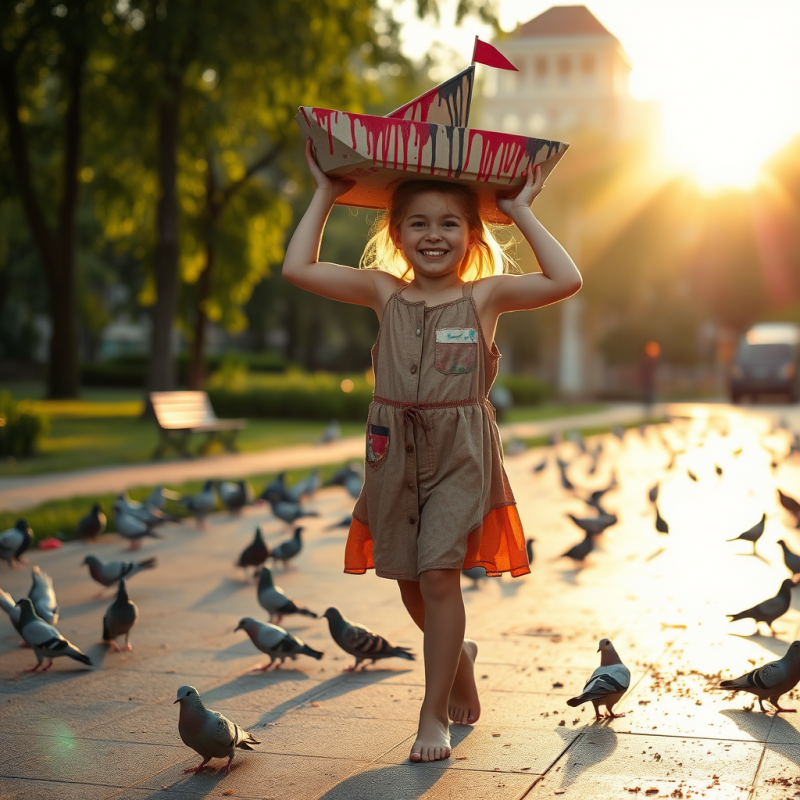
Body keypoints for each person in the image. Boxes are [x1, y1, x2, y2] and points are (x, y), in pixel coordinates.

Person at [283, 138, 582, 763]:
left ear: (471, 236)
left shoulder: (484, 298)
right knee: (410, 581)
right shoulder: (382, 292)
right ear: (397, 234)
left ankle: (432, 711)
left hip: (460, 454)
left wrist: (520, 208)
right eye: (418, 223)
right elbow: (298, 269)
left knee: (441, 573)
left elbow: (566, 278)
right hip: (391, 453)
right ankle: (459, 661)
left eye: (450, 223)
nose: (434, 235)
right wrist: (324, 194)